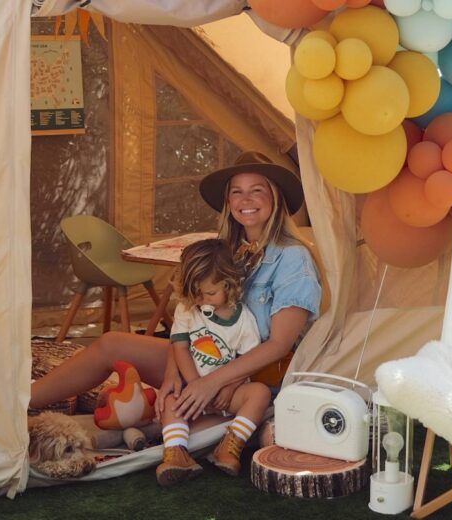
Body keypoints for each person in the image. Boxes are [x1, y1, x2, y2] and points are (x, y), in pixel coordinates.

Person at [29, 150, 322, 476]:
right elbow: (189, 320)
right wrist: (172, 373)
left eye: (257, 190)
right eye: (236, 191)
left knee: (188, 425)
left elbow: (279, 345)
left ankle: (210, 436)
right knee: (112, 343)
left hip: (255, 378)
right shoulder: (227, 250)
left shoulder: (293, 258)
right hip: (205, 356)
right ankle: (18, 405)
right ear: (228, 201)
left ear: (275, 198)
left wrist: (208, 383)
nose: (246, 199)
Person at [156, 237, 269, 485]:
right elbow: (180, 347)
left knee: (260, 393)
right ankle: (176, 453)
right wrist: (196, 386)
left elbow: (247, 360)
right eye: (194, 294)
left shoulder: (244, 320)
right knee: (169, 400)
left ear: (229, 285)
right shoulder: (187, 309)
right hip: (193, 391)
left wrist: (227, 388)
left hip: (228, 393)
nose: (201, 300)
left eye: (209, 293)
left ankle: (229, 446)